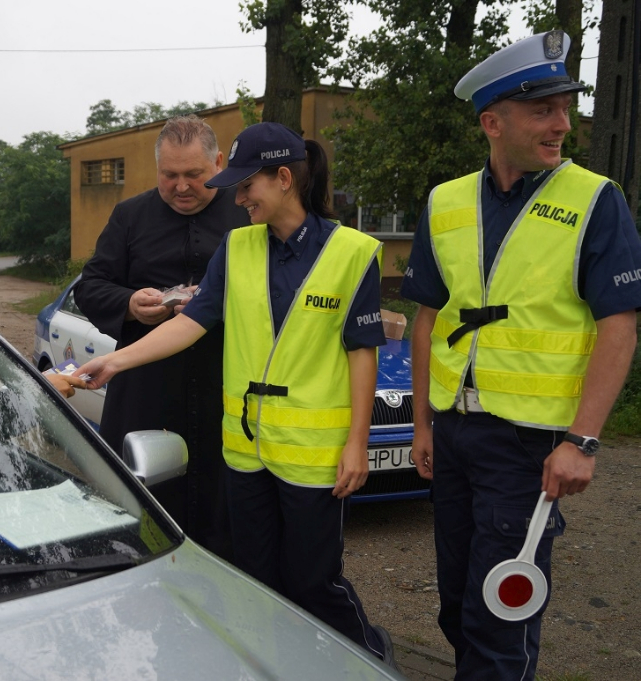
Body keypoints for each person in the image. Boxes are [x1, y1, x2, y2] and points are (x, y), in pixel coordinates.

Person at [76, 121, 398, 667]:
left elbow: (361, 351)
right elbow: (191, 322)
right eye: (171, 175)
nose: (238, 198)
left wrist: (357, 443)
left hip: (311, 453)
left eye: (245, 186)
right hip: (245, 447)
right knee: (253, 576)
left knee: (313, 580)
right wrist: (114, 359)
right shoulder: (237, 244)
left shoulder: (350, 251)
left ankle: (368, 661)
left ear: (283, 179)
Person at [401, 30, 641, 679]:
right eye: (543, 110)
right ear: (493, 122)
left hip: (528, 445)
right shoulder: (445, 201)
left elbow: (619, 326)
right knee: (456, 606)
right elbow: (428, 319)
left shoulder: (596, 200)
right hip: (453, 433)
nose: (562, 124)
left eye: (564, 107)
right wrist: (423, 424)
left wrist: (582, 441)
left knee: (499, 615)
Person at [73, 114, 249, 561]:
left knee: (226, 521)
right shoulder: (130, 216)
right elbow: (90, 286)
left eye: (194, 174)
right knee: (139, 518)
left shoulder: (247, 214)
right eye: (169, 175)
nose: (181, 186)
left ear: (219, 163)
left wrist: (218, 307)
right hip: (145, 390)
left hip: (224, 386)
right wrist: (130, 303)